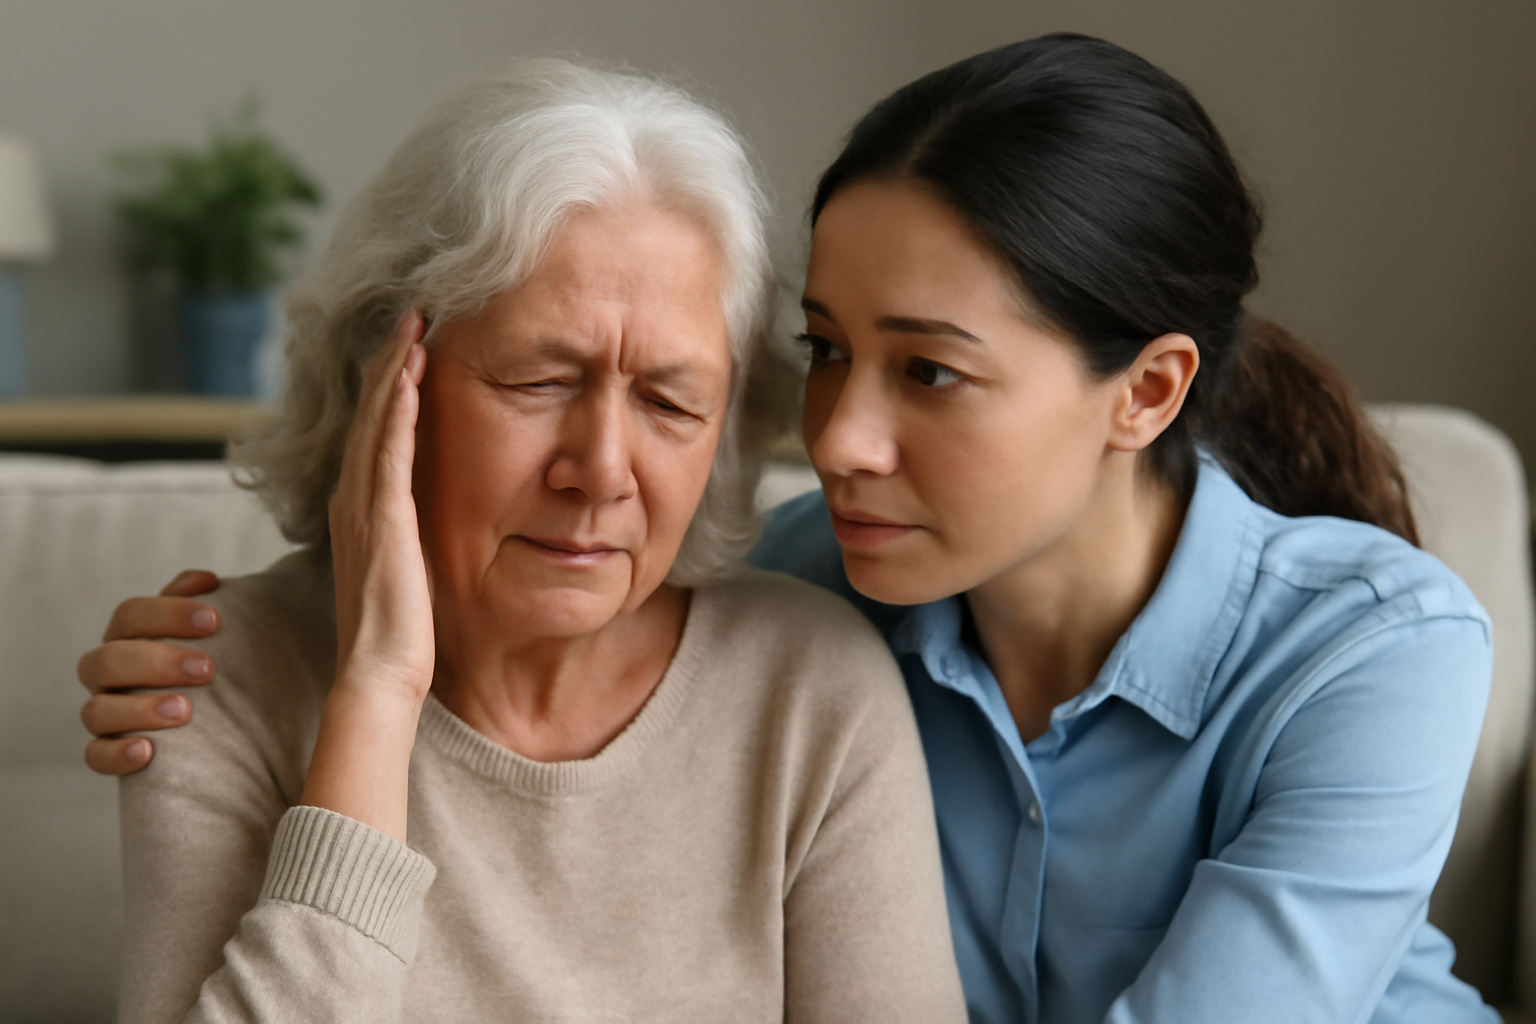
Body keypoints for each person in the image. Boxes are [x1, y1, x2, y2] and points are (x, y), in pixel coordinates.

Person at [78, 34, 1497, 1024]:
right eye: (824, 352)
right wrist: (339, 678)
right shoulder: (820, 586)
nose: (834, 443)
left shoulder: (1372, 652)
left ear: (1147, 392)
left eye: (929, 371)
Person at [87, 58, 966, 1024]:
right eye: (538, 381)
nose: (602, 469)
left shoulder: (812, 692)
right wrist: (376, 694)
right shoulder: (214, 685)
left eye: (670, 401)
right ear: (385, 383)